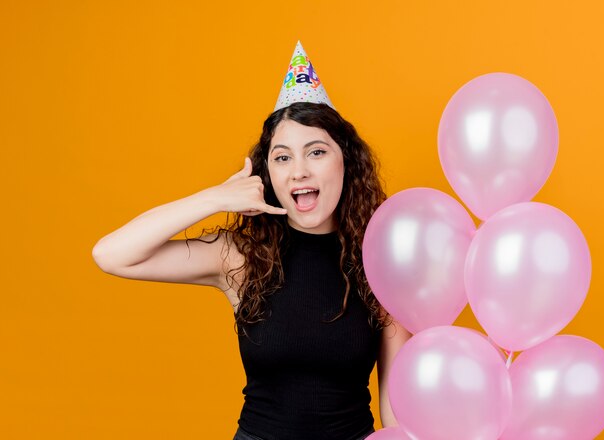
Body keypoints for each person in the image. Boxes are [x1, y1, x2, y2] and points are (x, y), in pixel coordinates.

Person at [92, 42, 412, 440]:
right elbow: (111, 254)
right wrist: (215, 198)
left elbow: (396, 411)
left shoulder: (382, 263)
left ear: (345, 161)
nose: (298, 171)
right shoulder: (241, 257)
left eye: (316, 152)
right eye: (282, 157)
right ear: (267, 175)